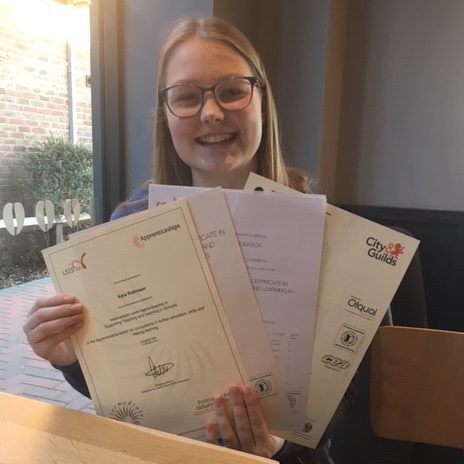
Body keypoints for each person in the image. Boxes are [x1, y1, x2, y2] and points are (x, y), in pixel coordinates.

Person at [23, 17, 346, 463]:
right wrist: (69, 356)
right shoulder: (131, 222)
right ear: (166, 117)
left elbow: (341, 406)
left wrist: (277, 449)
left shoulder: (324, 233)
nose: (211, 113)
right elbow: (122, 388)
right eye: (187, 98)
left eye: (232, 90)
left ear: (262, 103)